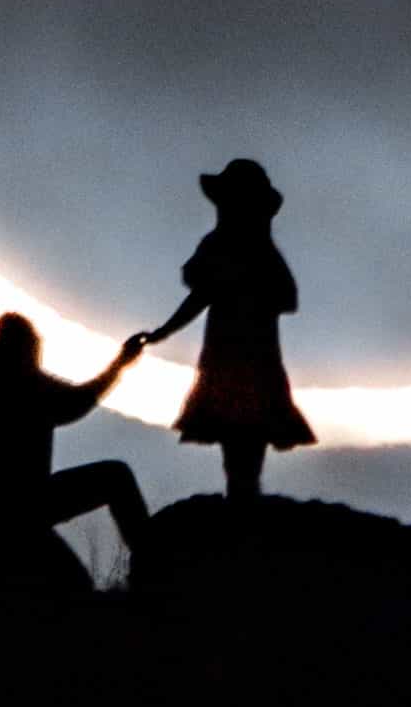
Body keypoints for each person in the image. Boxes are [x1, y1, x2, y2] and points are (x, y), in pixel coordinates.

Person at [134, 158, 314, 513]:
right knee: (241, 429)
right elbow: (202, 294)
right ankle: (243, 495)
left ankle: (243, 497)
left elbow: (282, 297)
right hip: (241, 353)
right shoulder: (241, 247)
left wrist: (166, 331)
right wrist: (164, 332)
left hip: (245, 354)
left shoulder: (244, 249)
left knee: (244, 427)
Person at [0, 312, 152, 585]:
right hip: (21, 513)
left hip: (8, 514)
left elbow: (74, 399)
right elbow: (77, 402)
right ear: (24, 347)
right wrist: (119, 365)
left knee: (75, 586)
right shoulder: (20, 385)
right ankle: (153, 562)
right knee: (115, 477)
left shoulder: (1, 383)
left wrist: (119, 364)